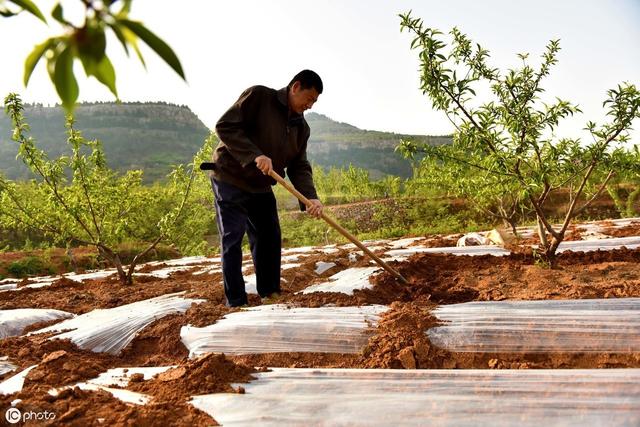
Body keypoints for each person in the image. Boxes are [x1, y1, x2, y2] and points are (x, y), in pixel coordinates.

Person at [209, 70, 324, 307]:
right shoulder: (259, 97)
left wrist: (311, 198)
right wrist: (255, 155)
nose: (310, 105)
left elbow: (299, 165)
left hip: (260, 186)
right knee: (232, 239)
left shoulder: (302, 128)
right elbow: (225, 126)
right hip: (230, 178)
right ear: (295, 87)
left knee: (270, 237)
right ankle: (237, 302)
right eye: (309, 98)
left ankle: (270, 292)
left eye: (314, 101)